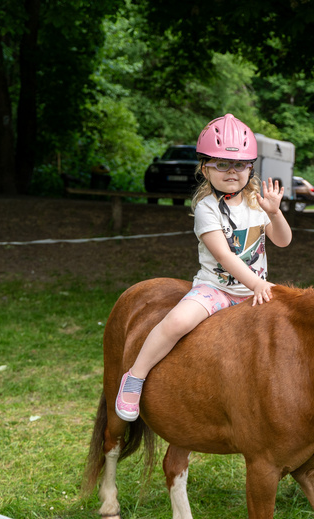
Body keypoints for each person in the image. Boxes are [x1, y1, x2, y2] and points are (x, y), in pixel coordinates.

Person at [115, 114, 292, 422]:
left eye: (239, 165)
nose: (232, 172)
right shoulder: (206, 209)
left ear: (251, 168)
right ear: (205, 167)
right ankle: (135, 376)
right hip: (217, 289)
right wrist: (259, 285)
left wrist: (275, 213)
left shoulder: (256, 203)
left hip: (254, 291)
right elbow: (225, 257)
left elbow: (283, 240)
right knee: (176, 323)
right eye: (221, 164)